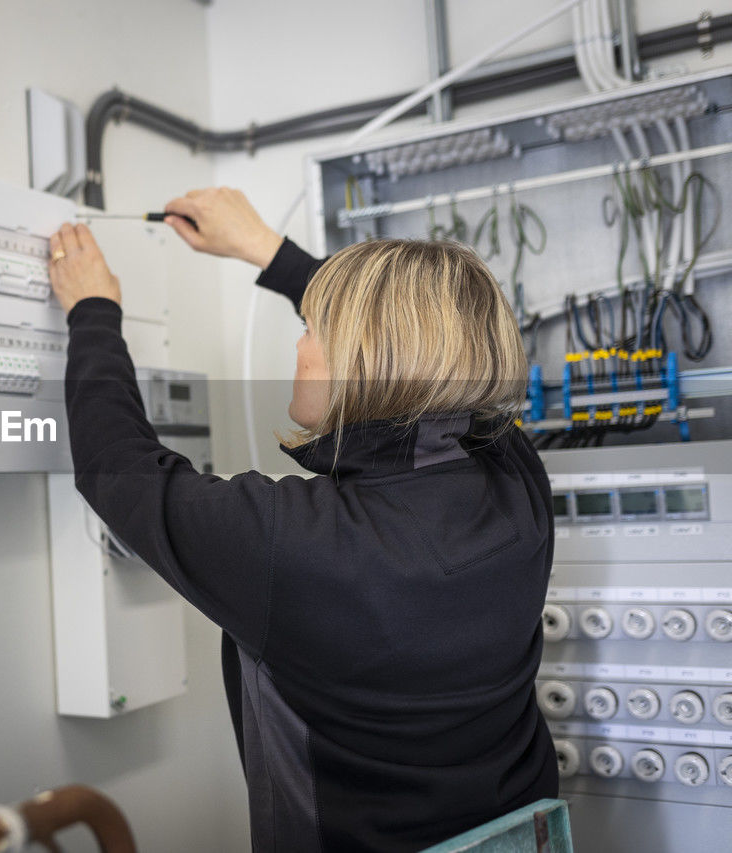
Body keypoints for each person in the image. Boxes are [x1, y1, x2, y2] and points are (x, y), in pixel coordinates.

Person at [46, 187, 558, 853]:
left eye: (314, 328)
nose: (300, 342)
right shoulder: (515, 477)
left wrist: (93, 312)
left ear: (362, 361)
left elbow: (118, 466)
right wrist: (263, 247)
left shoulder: (295, 543)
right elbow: (411, 340)